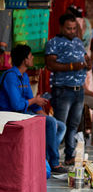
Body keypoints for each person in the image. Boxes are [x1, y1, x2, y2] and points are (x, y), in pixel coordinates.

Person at [0, 45, 67, 174]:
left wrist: (44, 115)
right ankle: (54, 163)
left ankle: (44, 157)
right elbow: (17, 105)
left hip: (24, 113)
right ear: (25, 60)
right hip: (11, 115)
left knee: (60, 125)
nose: (32, 58)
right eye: (31, 56)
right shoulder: (11, 76)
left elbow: (33, 104)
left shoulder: (23, 76)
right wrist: (35, 101)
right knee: (51, 123)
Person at [45, 13, 90, 166]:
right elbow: (50, 64)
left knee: (73, 125)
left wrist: (88, 63)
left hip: (79, 90)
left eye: (73, 28)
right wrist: (71, 66)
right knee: (58, 126)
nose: (71, 31)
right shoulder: (54, 42)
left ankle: (69, 155)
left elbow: (85, 59)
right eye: (68, 28)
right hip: (63, 90)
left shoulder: (78, 42)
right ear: (61, 27)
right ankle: (53, 158)